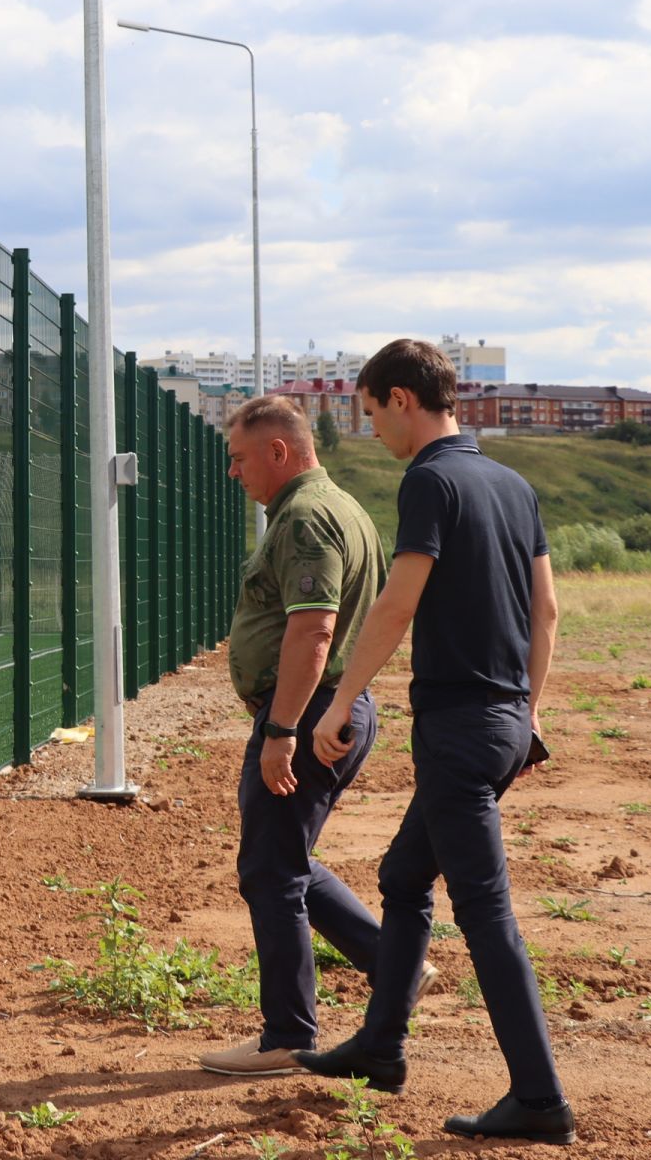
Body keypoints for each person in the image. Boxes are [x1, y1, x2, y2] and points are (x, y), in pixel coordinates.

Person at [294, 339, 574, 1146]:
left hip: (456, 730)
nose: (373, 427)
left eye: (372, 411)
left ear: (403, 400)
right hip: (505, 725)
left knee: (486, 914)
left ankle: (540, 1097)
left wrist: (338, 701)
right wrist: (529, 713)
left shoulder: (431, 480)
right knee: (404, 872)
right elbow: (546, 613)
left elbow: (397, 601)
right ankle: (381, 1047)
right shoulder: (512, 484)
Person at [198, 396, 433, 1079]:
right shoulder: (344, 508)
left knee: (271, 871)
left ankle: (288, 1035)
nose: (235, 473)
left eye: (240, 459)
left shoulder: (303, 516)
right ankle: (396, 967)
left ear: (279, 451)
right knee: (286, 858)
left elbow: (314, 628)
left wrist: (280, 729)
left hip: (308, 710)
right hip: (336, 705)